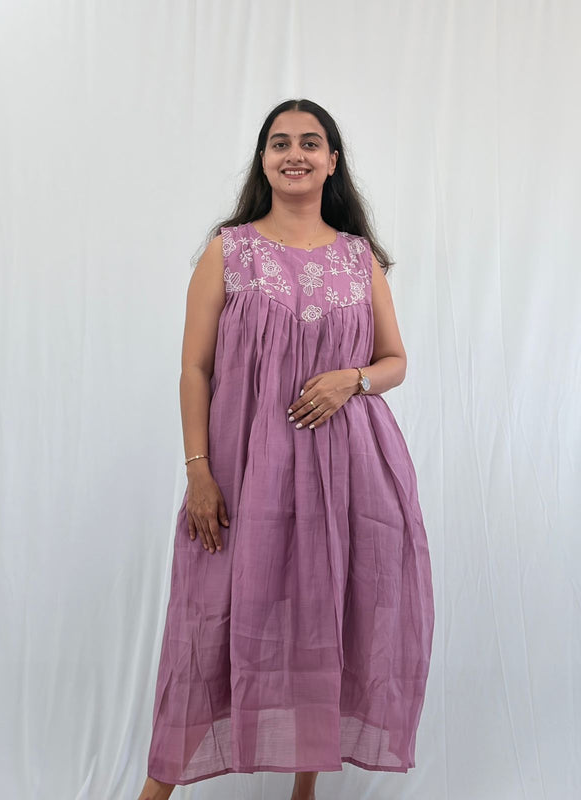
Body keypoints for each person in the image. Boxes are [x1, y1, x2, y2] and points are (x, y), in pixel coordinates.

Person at [136, 98, 435, 800]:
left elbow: (395, 360)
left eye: (309, 142)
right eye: (279, 143)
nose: (294, 154)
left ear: (332, 161)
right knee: (210, 620)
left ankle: (305, 792)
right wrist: (198, 470)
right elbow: (194, 369)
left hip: (352, 470)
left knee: (328, 616)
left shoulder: (359, 259)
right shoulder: (229, 251)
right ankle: (156, 789)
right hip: (244, 473)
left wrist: (351, 379)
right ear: (264, 160)